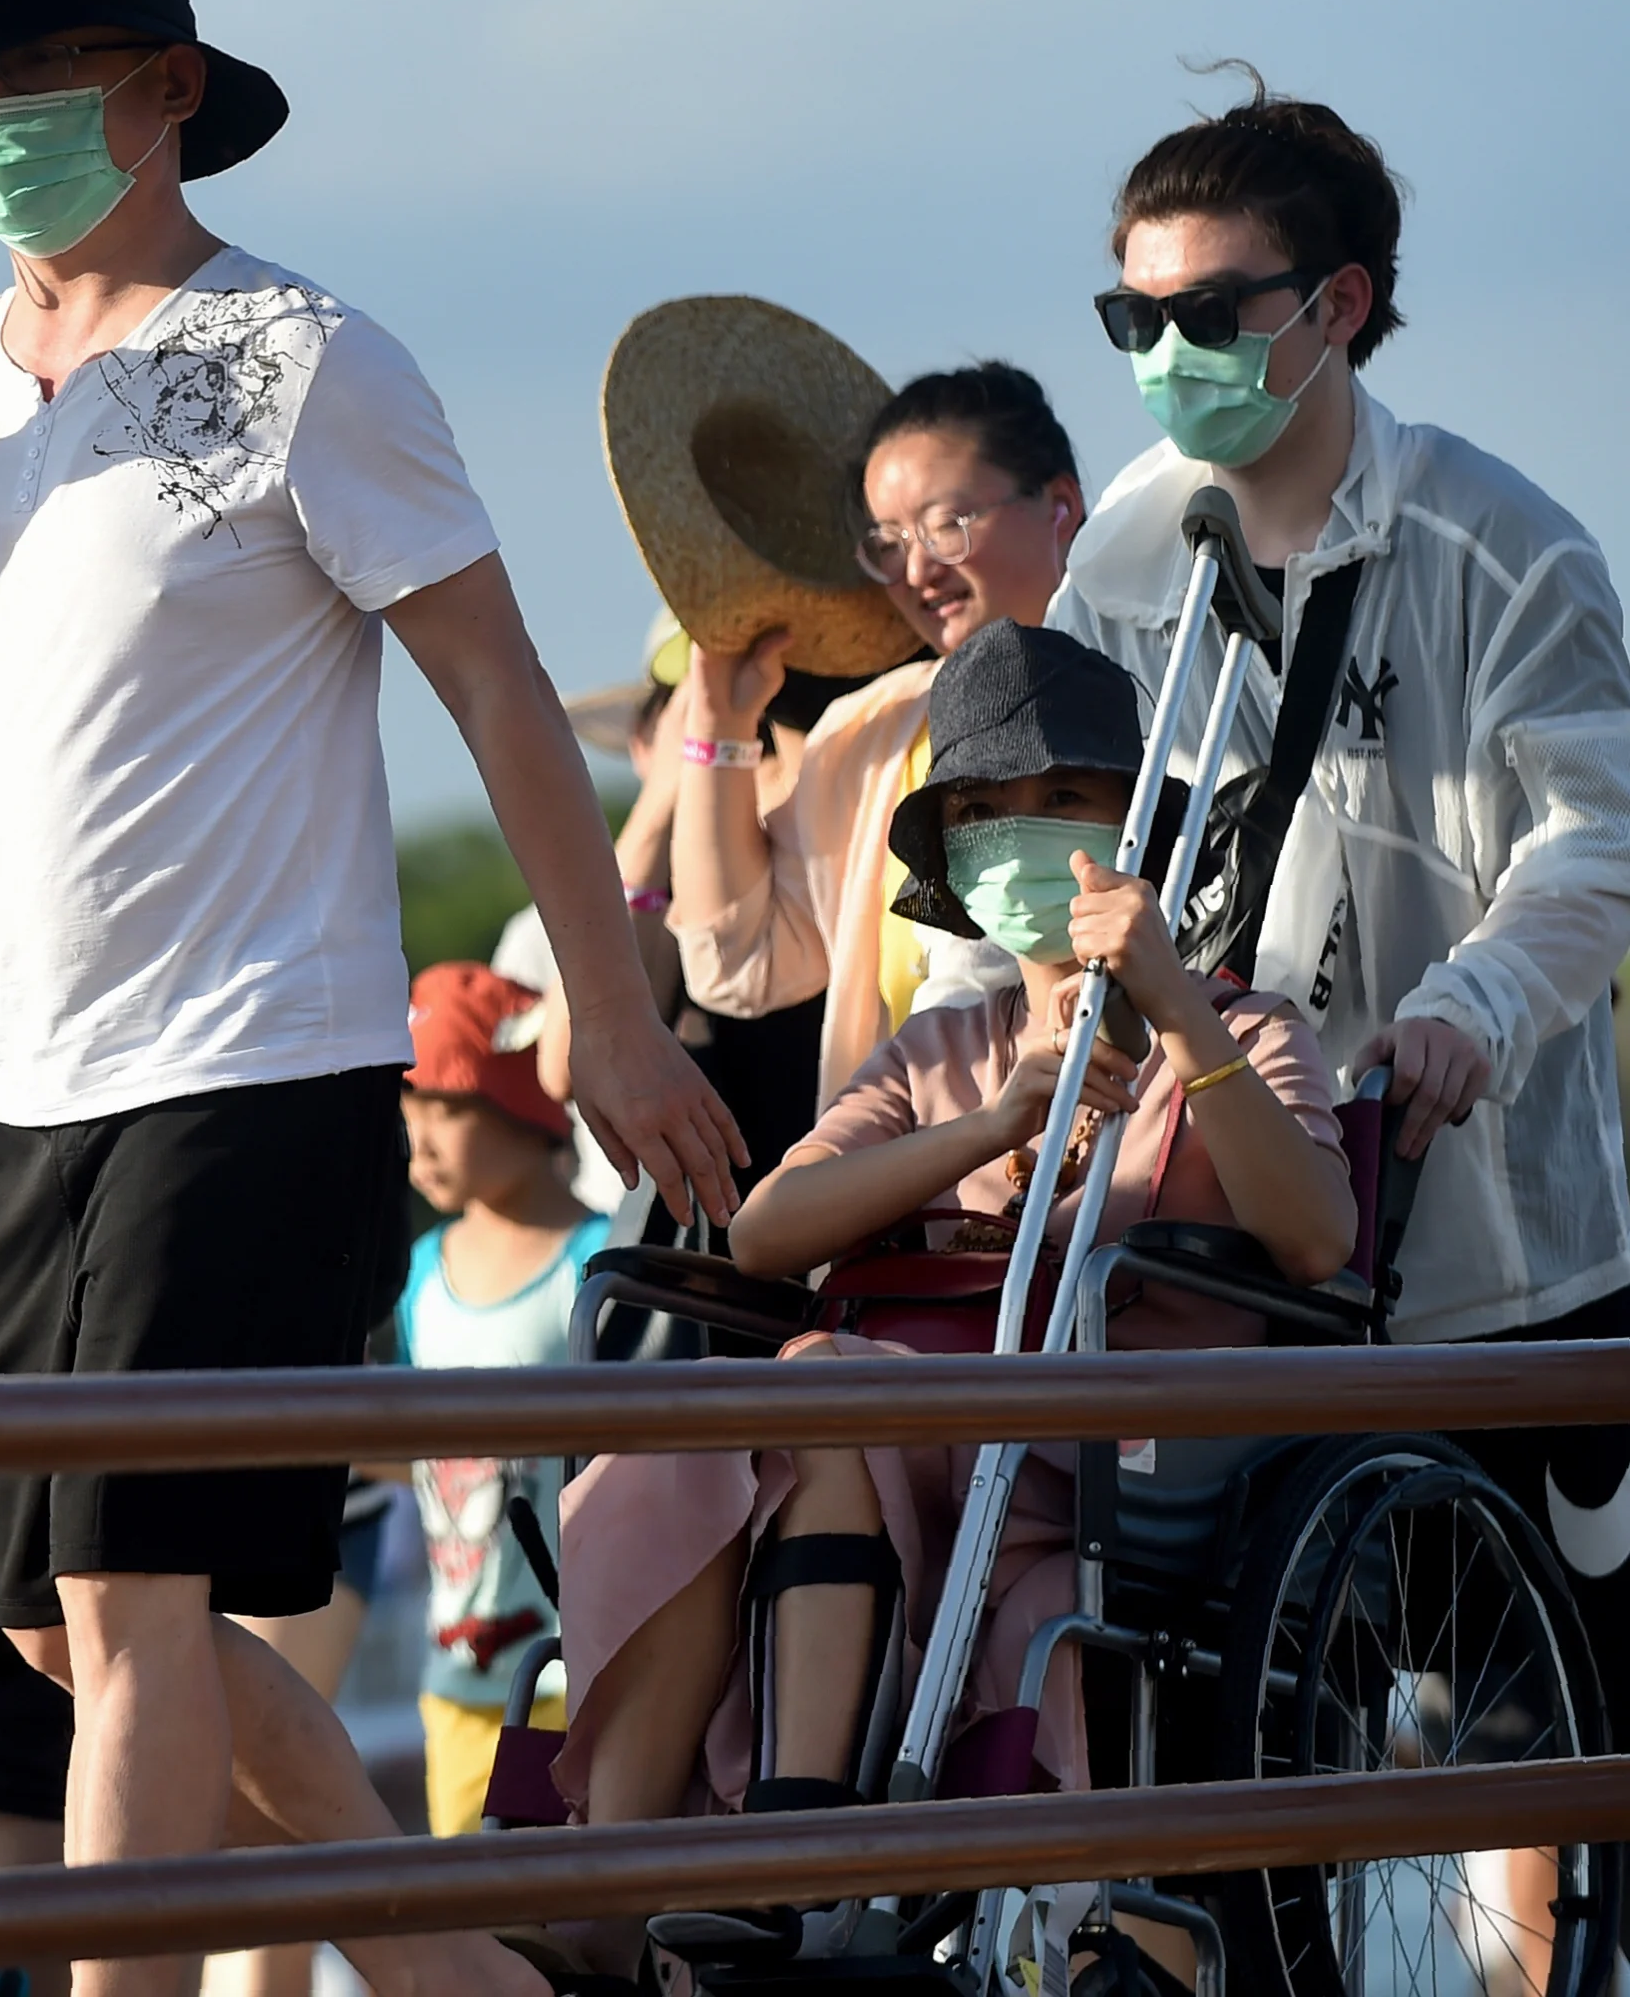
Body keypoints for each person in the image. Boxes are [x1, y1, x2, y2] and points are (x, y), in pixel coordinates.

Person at [0, 0, 741, 1997]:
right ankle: (465, 1972)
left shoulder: (307, 352)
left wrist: (614, 1009)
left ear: (169, 88)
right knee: (73, 1626)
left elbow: (493, 685)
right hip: (15, 1085)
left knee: (126, 1603)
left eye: (47, 70)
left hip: (252, 1057)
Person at [559, 620, 1352, 1852]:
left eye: (1066, 796)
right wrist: (993, 1122)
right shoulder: (940, 1046)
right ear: (954, 853)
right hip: (900, 1440)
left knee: (816, 1402)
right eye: (985, 808)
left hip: (1113, 1467)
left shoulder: (1250, 1033)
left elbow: (1314, 1240)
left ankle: (793, 1853)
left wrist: (1177, 1012)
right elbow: (765, 1231)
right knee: (703, 1438)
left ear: (1134, 827)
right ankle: (624, 1877)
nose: (1024, 828)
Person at [1047, 78, 1630, 1679]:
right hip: (1229, 1253)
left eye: (1210, 309)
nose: (1168, 355)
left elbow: (1598, 839)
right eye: (1133, 314)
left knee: (1558, 1734)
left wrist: (1476, 1005)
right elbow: (1076, 836)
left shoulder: (1509, 548)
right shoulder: (1125, 560)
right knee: (1247, 1732)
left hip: (1496, 1254)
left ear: (1338, 304)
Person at [673, 365, 1083, 1116]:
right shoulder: (873, 735)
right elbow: (740, 965)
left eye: (947, 525)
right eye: (887, 543)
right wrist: (719, 727)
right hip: (909, 1195)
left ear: (1061, 505)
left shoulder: (1159, 686)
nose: (918, 570)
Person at [391, 962, 607, 1839]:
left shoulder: (594, 1267)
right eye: (407, 1117)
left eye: (442, 1108)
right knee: (467, 1920)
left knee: (549, 1916)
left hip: (567, 1677)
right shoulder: (418, 1275)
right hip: (454, 1684)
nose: (420, 1141)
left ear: (519, 1102)